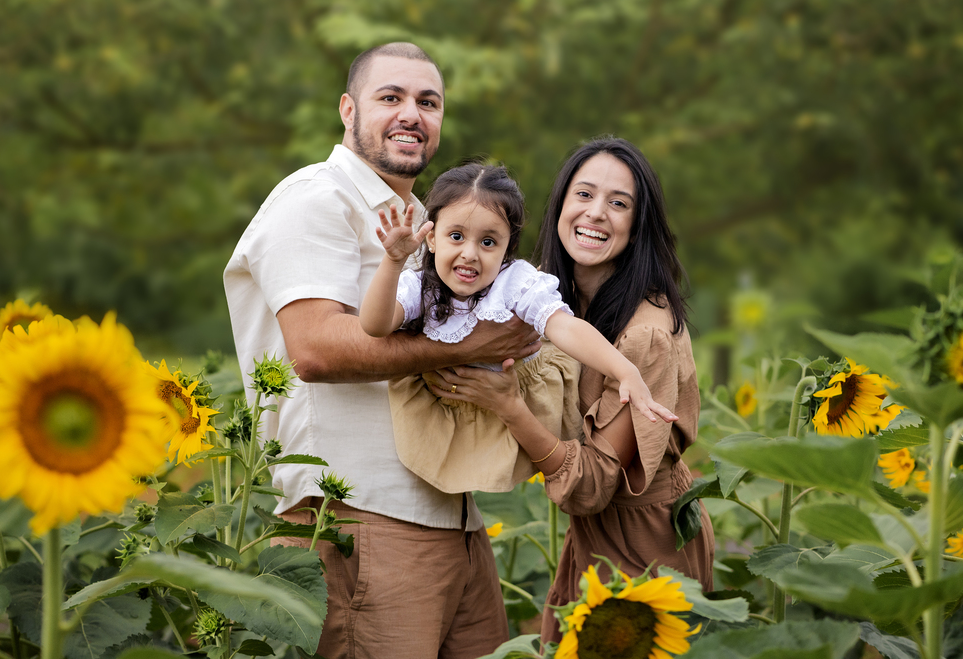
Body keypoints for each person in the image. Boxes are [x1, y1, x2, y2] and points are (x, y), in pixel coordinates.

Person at [223, 42, 540, 659]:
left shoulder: (432, 221)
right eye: (389, 98)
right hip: (358, 517)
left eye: (428, 102)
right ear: (348, 109)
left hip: (454, 520)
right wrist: (477, 342)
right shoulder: (316, 200)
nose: (411, 114)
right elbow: (314, 349)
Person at [429, 137, 716, 642]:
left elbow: (593, 486)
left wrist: (508, 406)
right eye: (584, 195)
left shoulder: (644, 336)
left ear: (638, 223)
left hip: (647, 552)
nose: (597, 213)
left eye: (619, 203)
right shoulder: (555, 305)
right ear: (560, 204)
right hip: (590, 545)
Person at [358, 163, 675, 494]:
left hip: (508, 413)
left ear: (508, 249)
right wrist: (393, 262)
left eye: (489, 242)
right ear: (432, 238)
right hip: (438, 417)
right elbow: (375, 326)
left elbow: (564, 327)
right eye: (456, 236)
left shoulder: (514, 282)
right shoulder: (419, 285)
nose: (470, 254)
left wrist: (625, 371)